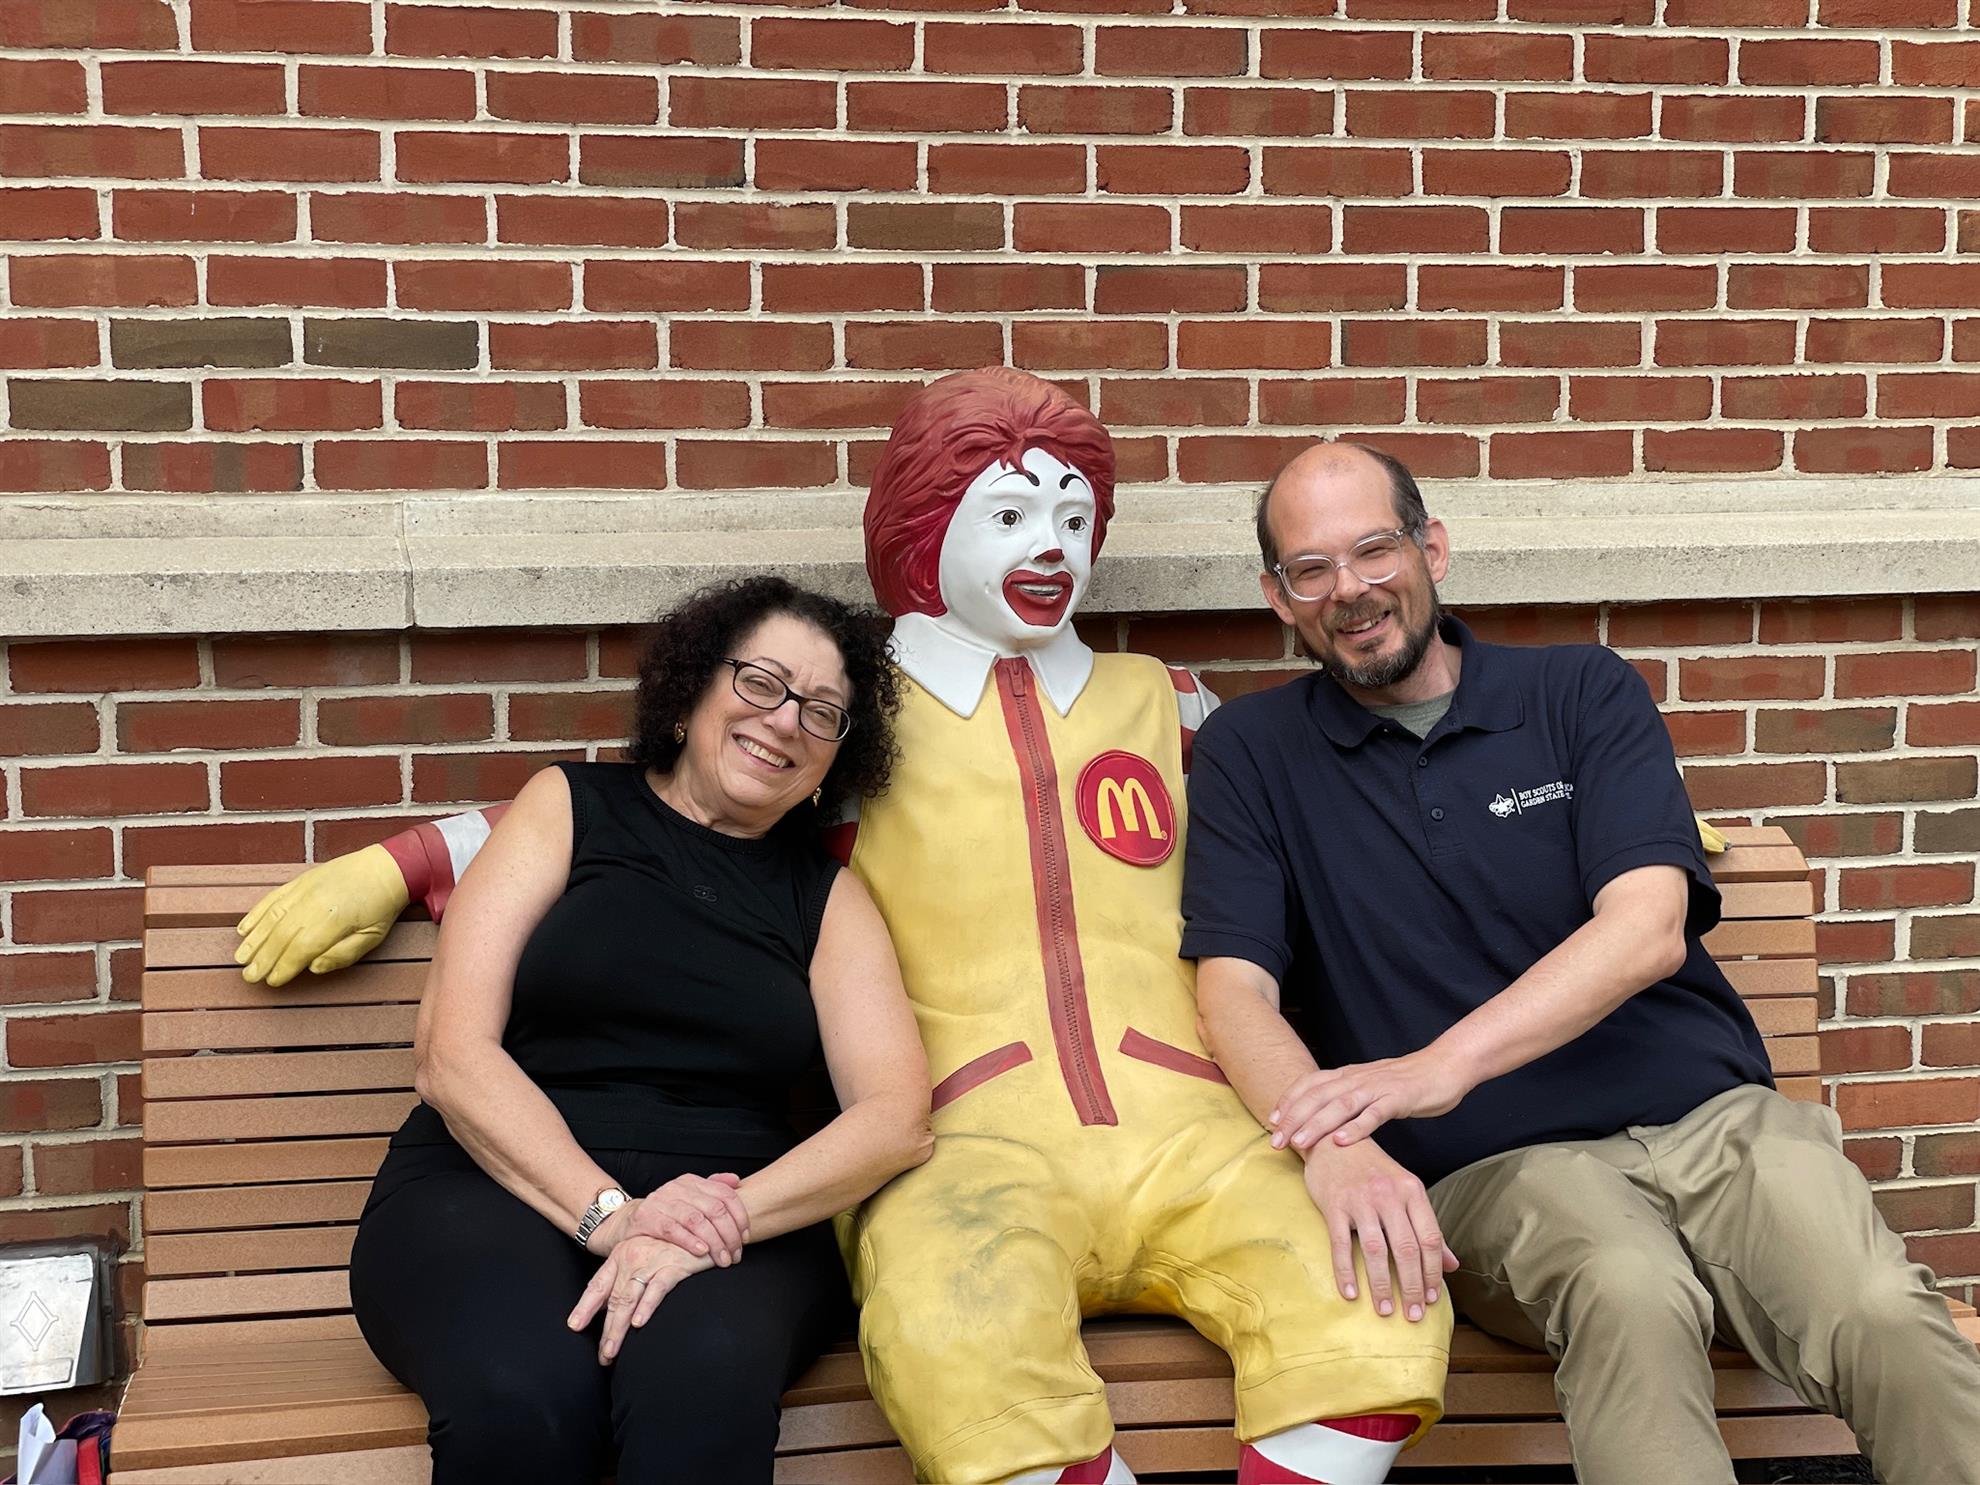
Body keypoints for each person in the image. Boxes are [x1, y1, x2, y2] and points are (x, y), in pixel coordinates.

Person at [236, 371, 1450, 1485]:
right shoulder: (858, 717)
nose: (1051, 550)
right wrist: (398, 864)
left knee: (1374, 1289)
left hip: (1191, 1120)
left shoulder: (1168, 703)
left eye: (1073, 521)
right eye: (1012, 515)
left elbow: (1312, 797)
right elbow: (651, 813)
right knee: (950, 1323)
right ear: (926, 527)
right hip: (966, 1138)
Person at [1182, 440, 1980, 1485]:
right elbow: (1231, 989)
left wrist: (1435, 1068)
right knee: (1630, 1287)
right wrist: (1330, 1146)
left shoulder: (1577, 692)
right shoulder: (1254, 754)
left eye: (1375, 549)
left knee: (1883, 1314)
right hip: (1501, 1173)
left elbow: (1648, 925)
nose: (1352, 591)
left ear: (1433, 546)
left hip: (1717, 1127)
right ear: (1278, 597)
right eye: (1312, 569)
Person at [330, 577, 932, 1484]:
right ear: (692, 692)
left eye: (822, 712)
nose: (784, 722)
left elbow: (896, 1116)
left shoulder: (828, 900)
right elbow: (451, 1052)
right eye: (762, 682)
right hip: (494, 1181)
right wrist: (616, 1217)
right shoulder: (568, 808)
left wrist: (709, 1222)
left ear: (834, 762)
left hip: (739, 1219)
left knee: (701, 1388)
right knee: (522, 1392)